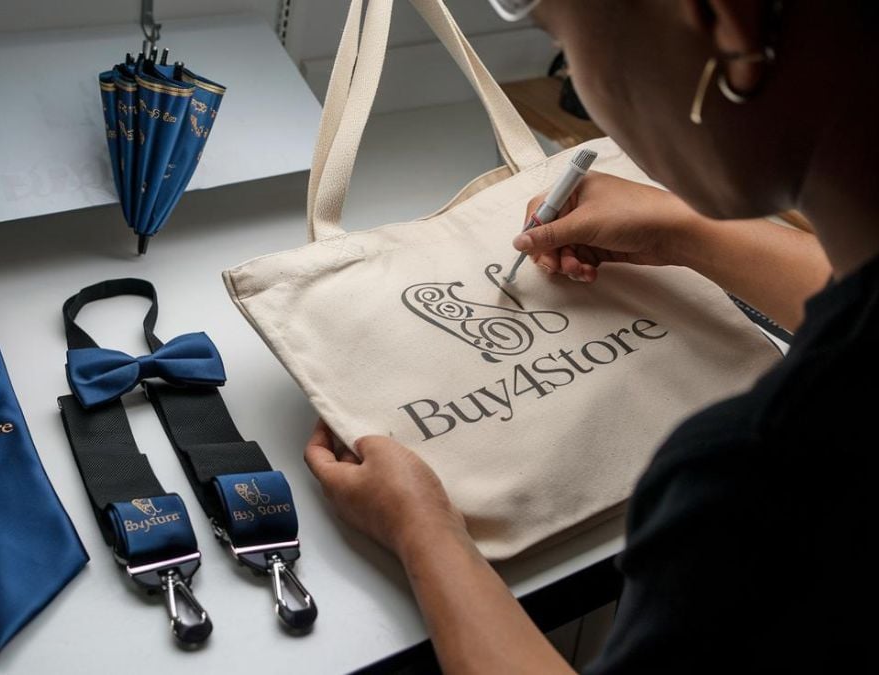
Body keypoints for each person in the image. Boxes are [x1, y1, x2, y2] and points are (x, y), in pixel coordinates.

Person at [303, 1, 877, 672]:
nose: (575, 78)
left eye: (562, 39)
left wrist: (423, 528)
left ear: (725, 23)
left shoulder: (759, 484)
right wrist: (680, 228)